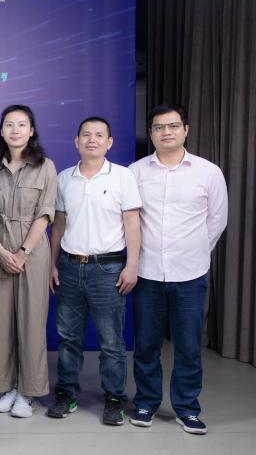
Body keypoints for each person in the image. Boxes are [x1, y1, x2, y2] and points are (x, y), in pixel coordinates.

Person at [128, 104, 228, 435]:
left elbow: (217, 220)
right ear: (151, 133)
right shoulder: (136, 172)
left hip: (190, 274)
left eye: (173, 126)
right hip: (148, 273)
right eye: (159, 127)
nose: (166, 132)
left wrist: (194, 251)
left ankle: (187, 408)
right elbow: (129, 220)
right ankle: (146, 402)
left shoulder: (208, 172)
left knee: (188, 346)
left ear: (186, 129)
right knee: (146, 345)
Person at [48, 117, 141, 426]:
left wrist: (132, 265)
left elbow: (132, 224)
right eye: (86, 134)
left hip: (108, 268)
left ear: (109, 142)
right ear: (76, 141)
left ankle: (115, 398)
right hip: (70, 266)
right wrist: (51, 264)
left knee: (111, 341)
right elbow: (58, 225)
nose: (92, 139)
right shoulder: (65, 178)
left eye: (99, 135)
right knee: (68, 337)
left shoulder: (123, 177)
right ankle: (66, 394)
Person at [0, 105, 57, 418]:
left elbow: (45, 213)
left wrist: (23, 252)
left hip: (33, 251)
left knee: (31, 321)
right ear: (1, 131)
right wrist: (0, 250)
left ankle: (28, 391)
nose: (15, 130)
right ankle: (7, 387)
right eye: (9, 124)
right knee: (1, 322)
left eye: (22, 124)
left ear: (31, 131)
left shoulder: (45, 166)